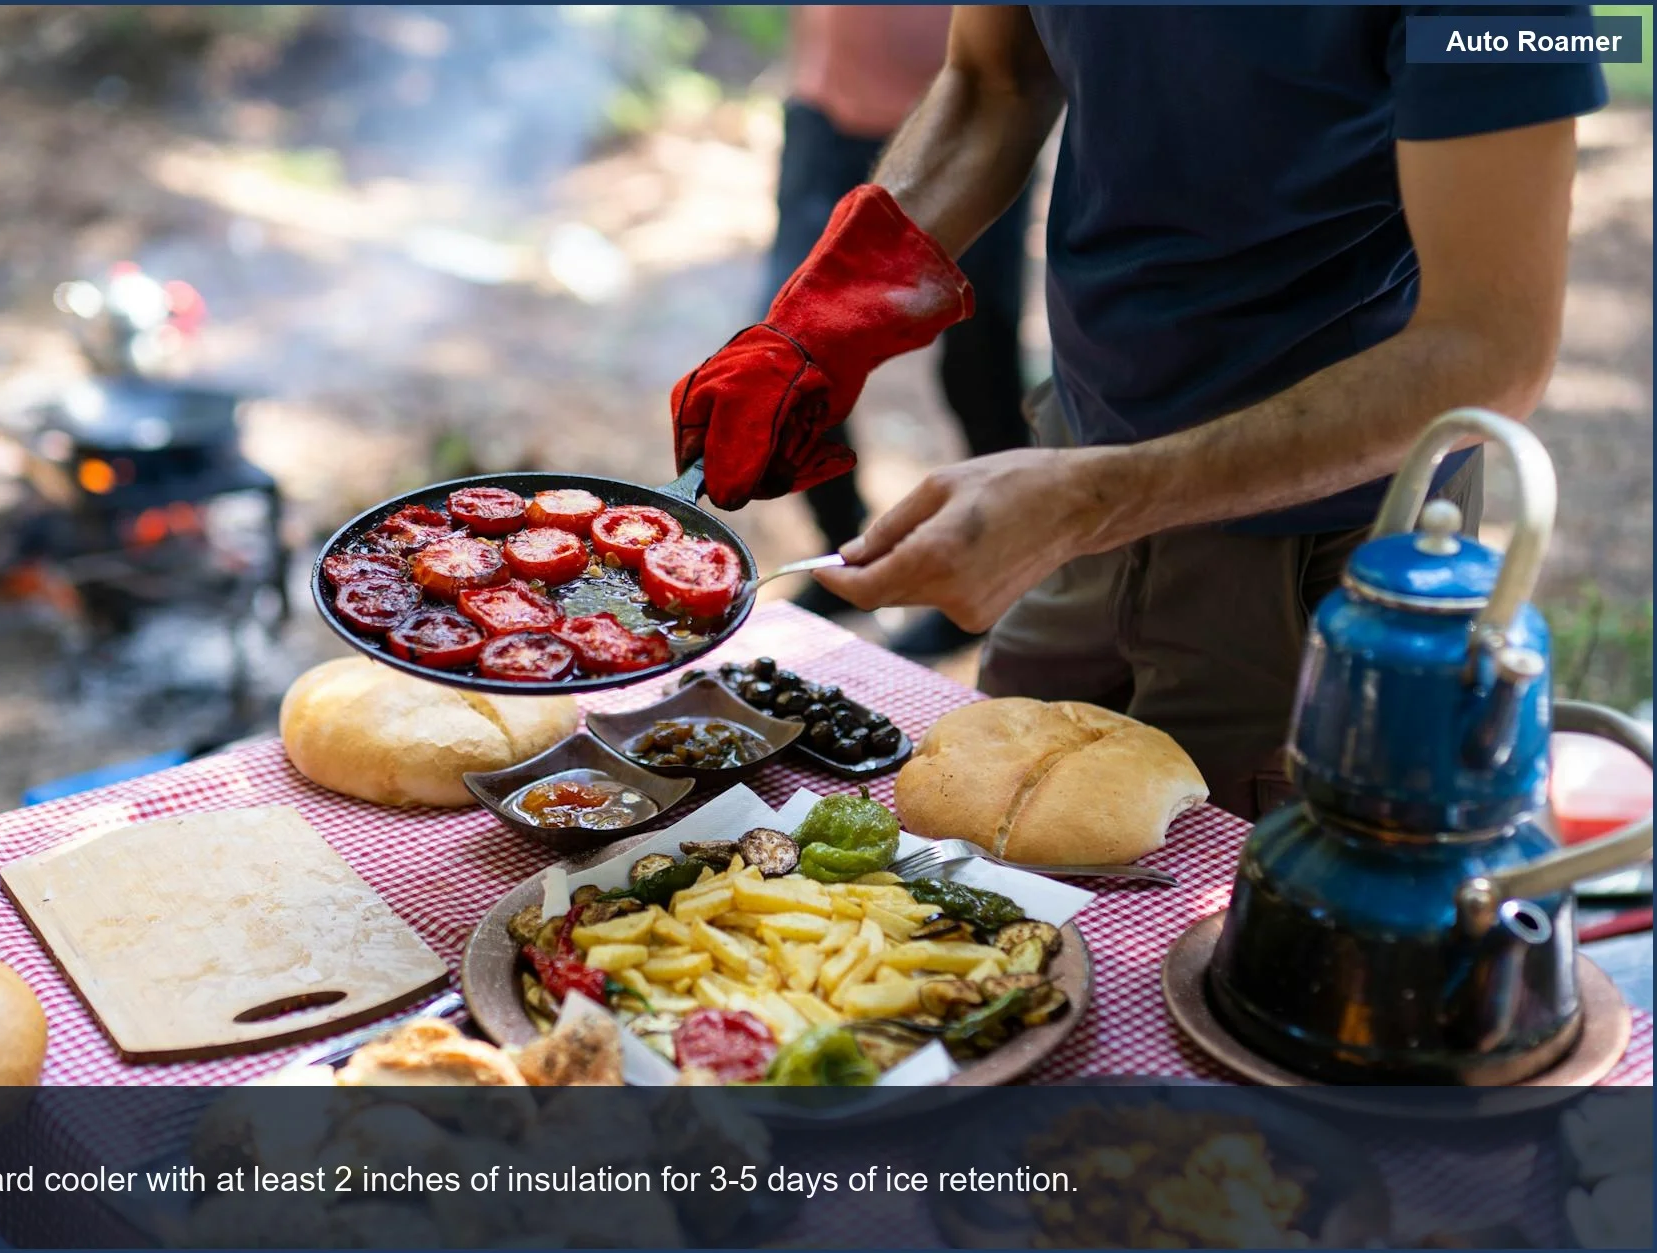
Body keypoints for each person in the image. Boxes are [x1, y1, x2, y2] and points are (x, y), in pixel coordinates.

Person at [670, 6, 1605, 818]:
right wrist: (822, 322)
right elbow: (997, 78)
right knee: (993, 869)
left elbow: (1491, 348)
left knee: (1247, 955)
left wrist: (1096, 498)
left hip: (1321, 558)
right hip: (1077, 469)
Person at [770, 6, 1033, 658]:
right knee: (791, 352)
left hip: (977, 127)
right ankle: (842, 553)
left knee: (979, 369)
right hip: (829, 116)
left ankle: (997, 582)